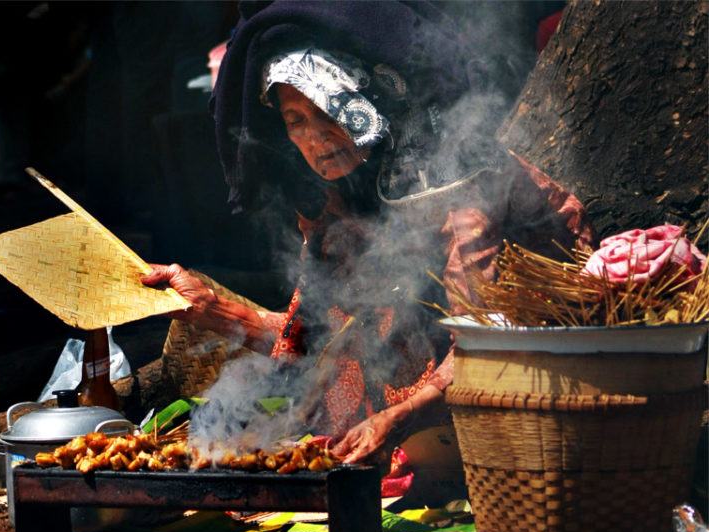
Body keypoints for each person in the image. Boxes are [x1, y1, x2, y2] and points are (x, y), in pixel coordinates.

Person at [142, 2, 593, 465]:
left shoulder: (453, 185)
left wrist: (398, 419)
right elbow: (314, 343)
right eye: (295, 121)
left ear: (367, 103)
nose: (315, 139)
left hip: (523, 408)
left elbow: (485, 343)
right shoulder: (334, 204)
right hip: (411, 425)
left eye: (328, 112)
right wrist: (209, 309)